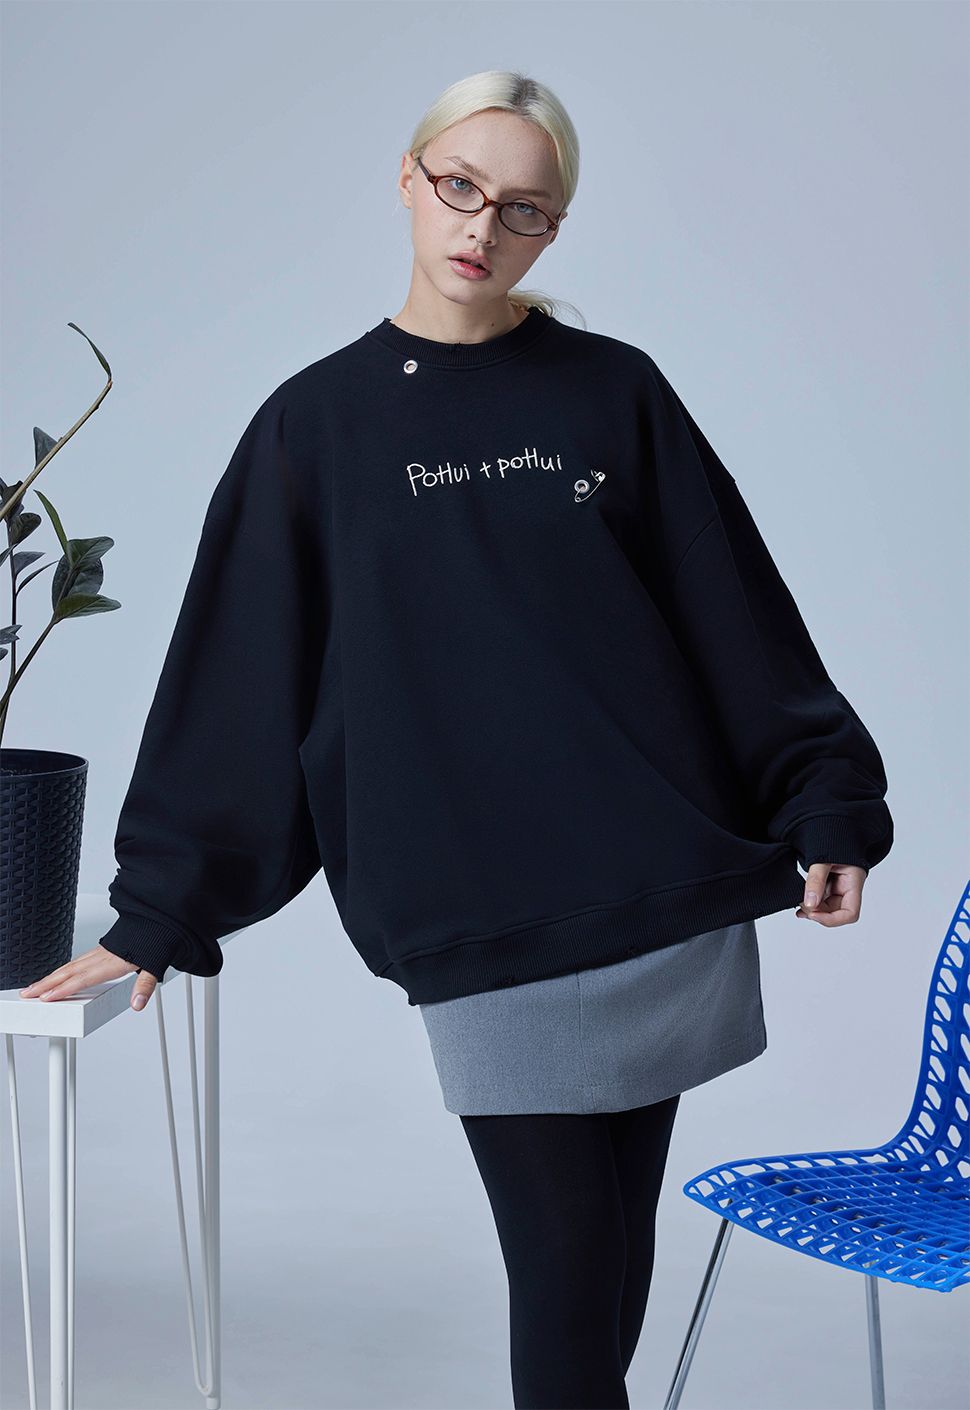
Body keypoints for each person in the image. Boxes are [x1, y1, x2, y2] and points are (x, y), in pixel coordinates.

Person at [20, 70, 893, 1410]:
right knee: (565, 1278)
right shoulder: (317, 425)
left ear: (555, 229)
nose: (484, 225)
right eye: (461, 186)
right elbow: (242, 676)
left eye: (524, 208)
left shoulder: (615, 394)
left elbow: (732, 616)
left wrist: (823, 797)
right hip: (483, 917)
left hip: (656, 896)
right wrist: (166, 902)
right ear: (409, 178)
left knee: (606, 1286)